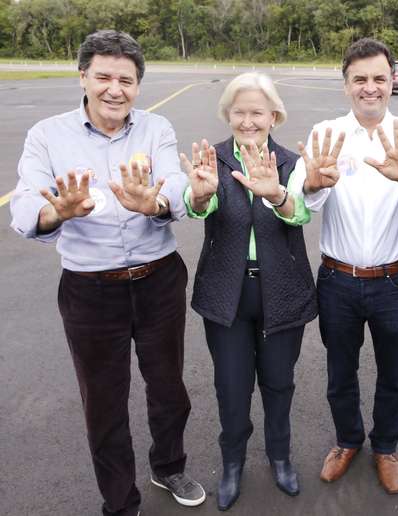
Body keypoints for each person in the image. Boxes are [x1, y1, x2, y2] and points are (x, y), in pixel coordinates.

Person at [9, 30, 205, 516]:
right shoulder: (47, 135)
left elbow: (177, 188)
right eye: (103, 77)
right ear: (83, 77)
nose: (114, 89)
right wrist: (60, 213)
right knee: (104, 403)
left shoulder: (156, 129)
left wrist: (156, 202)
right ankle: (120, 502)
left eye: (126, 79)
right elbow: (26, 204)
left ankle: (169, 465)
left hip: (159, 279)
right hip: (90, 290)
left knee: (168, 388)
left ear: (137, 85)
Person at [290, 38, 398, 494]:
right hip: (337, 278)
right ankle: (347, 441)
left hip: (394, 280)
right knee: (340, 370)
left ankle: (386, 447)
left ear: (392, 82)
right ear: (346, 86)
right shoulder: (326, 134)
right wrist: (316, 184)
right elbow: (303, 198)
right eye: (360, 79)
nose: (370, 87)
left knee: (392, 372)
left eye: (379, 78)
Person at [181, 72, 317, 510]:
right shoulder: (214, 159)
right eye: (238, 112)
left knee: (279, 382)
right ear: (228, 115)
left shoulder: (291, 162)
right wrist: (200, 197)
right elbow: (199, 204)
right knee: (231, 384)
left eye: (257, 112)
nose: (248, 120)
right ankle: (233, 462)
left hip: (281, 289)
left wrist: (277, 195)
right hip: (228, 292)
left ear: (274, 115)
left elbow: (299, 217)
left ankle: (280, 458)